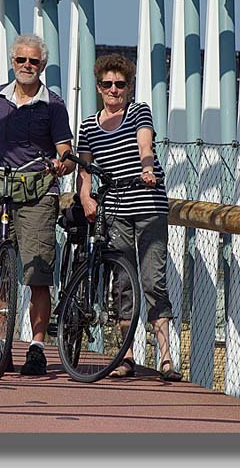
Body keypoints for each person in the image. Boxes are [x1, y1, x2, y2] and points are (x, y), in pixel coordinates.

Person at [0, 33, 74, 376]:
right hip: (1, 191)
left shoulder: (53, 104)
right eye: (21, 60)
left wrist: (62, 164)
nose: (27, 66)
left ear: (42, 66)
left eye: (34, 61)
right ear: (12, 62)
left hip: (39, 193)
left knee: (37, 272)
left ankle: (37, 348)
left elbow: (66, 152)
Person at [75, 53, 182, 381]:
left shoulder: (138, 112)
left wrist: (148, 169)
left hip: (147, 205)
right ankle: (126, 356)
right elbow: (85, 169)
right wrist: (85, 197)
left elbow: (144, 145)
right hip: (114, 209)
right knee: (122, 284)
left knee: (152, 280)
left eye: (120, 84)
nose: (113, 89)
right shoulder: (87, 126)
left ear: (129, 87)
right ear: (98, 87)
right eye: (107, 84)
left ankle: (165, 356)